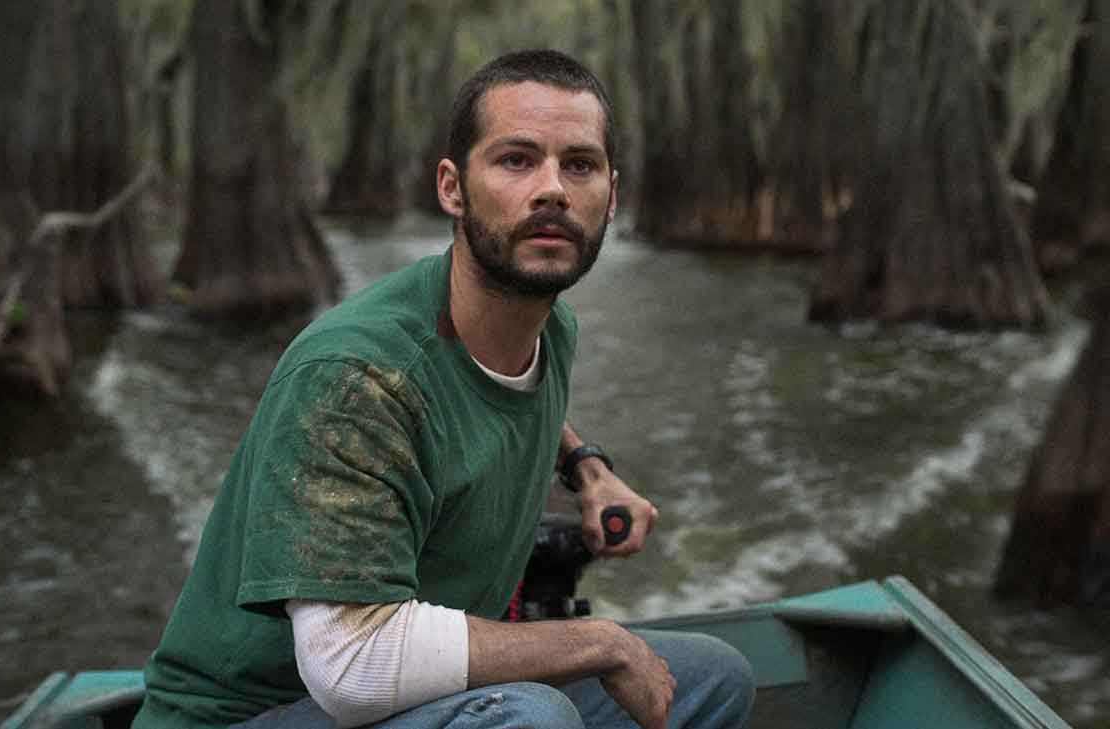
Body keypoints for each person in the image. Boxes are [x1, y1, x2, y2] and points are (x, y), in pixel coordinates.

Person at [132, 49, 754, 729]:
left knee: (713, 678)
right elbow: (351, 665)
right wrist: (598, 641)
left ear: (611, 195)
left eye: (578, 164)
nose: (551, 188)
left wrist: (587, 467)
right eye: (516, 160)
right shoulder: (356, 376)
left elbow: (497, 395)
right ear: (452, 188)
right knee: (531, 718)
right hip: (261, 711)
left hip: (412, 698)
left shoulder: (550, 329)